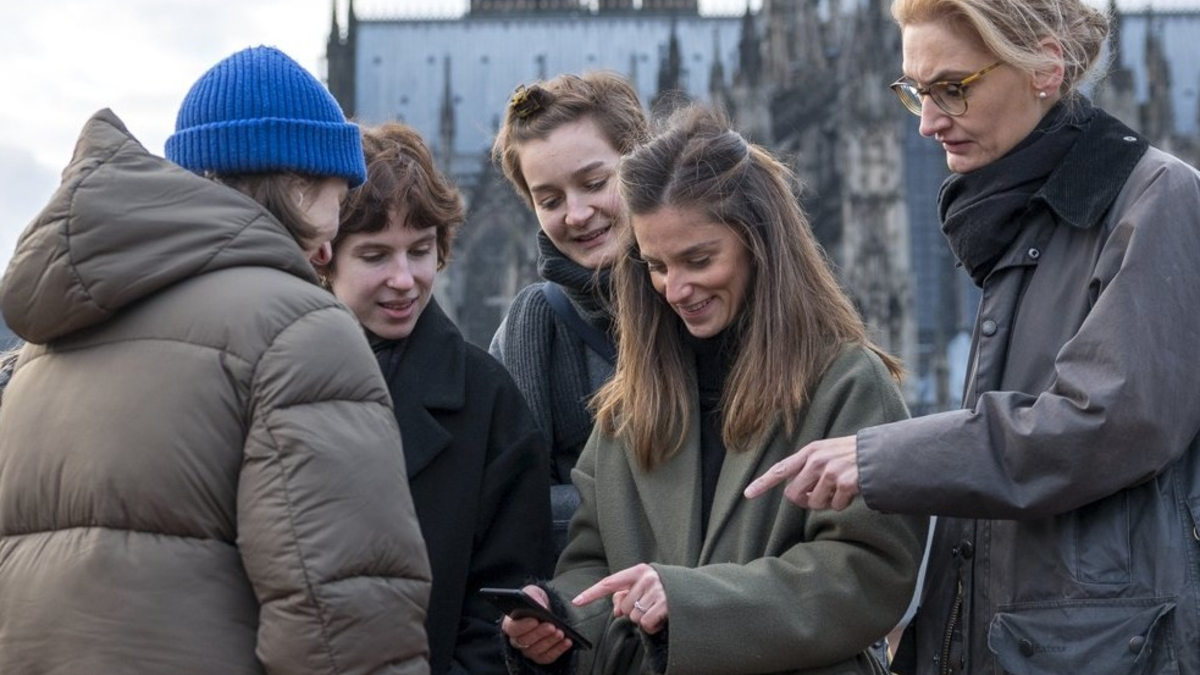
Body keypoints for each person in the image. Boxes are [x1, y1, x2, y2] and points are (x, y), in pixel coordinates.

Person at [745, 1, 1200, 673]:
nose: (927, 122)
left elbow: (1106, 422)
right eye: (915, 92)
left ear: (1046, 67)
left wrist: (885, 457)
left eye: (952, 88)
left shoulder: (1158, 200)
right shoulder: (1015, 211)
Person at [0, 46, 431, 674]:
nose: (339, 222)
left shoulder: (40, 347)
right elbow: (340, 619)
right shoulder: (300, 330)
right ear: (301, 186)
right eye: (341, 188)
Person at [499, 105, 929, 675]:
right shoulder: (631, 403)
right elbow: (593, 564)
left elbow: (868, 573)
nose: (675, 289)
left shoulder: (845, 382)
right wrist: (556, 619)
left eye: (698, 259)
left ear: (759, 244)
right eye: (654, 265)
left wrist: (690, 604)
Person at [320, 121, 554, 675]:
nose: (404, 279)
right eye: (375, 255)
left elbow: (505, 606)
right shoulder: (273, 380)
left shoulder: (488, 398)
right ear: (323, 258)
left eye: (420, 250)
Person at [488, 72, 650, 555]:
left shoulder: (703, 296)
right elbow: (508, 503)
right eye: (550, 200)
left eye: (595, 183)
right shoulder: (532, 327)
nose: (576, 214)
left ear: (643, 159)